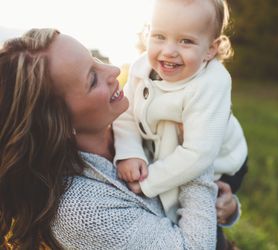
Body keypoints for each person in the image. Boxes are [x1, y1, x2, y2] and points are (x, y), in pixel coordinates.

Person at [0, 28, 240, 249]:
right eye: (92, 79)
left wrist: (223, 207)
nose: (113, 70)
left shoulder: (134, 119)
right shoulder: (80, 212)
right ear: (57, 123)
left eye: (94, 59)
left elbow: (189, 197)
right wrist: (198, 149)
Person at [113, 0, 248, 225]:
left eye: (186, 41)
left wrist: (149, 182)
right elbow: (126, 113)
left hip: (221, 161)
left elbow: (199, 153)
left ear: (210, 50)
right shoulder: (141, 69)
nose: (169, 51)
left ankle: (225, 219)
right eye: (159, 36)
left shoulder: (212, 82)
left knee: (208, 208)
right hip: (164, 148)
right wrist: (130, 151)